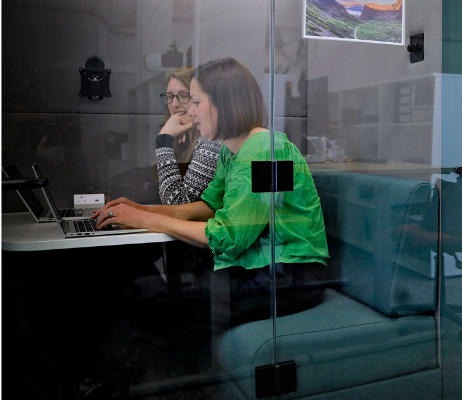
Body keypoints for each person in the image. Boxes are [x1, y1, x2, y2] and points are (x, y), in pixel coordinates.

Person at [83, 57, 329, 399]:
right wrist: (142, 208)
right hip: (258, 271)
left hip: (290, 277)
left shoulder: (268, 154)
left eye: (197, 102)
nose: (191, 113)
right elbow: (208, 206)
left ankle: (143, 384)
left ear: (224, 103)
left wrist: (147, 220)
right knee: (143, 295)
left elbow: (230, 237)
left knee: (149, 304)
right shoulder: (233, 151)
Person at [156, 67, 223, 205]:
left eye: (184, 96)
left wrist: (163, 141)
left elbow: (178, 204)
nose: (174, 104)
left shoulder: (212, 141)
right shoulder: (183, 137)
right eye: (170, 96)